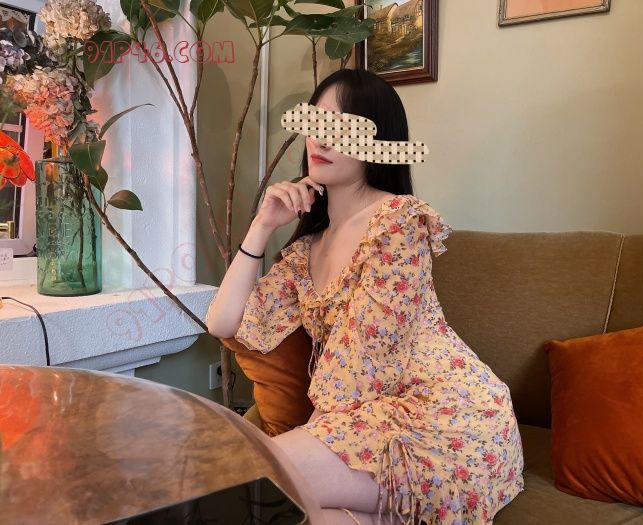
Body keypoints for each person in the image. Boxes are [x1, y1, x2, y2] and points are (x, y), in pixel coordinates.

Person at [206, 68, 525, 525]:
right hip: (371, 418)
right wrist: (262, 225)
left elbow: (369, 354)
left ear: (378, 142)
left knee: (245, 477)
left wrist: (316, 440)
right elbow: (222, 323)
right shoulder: (305, 252)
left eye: (342, 127)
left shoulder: (398, 222)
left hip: (447, 415)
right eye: (316, 122)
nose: (321, 138)